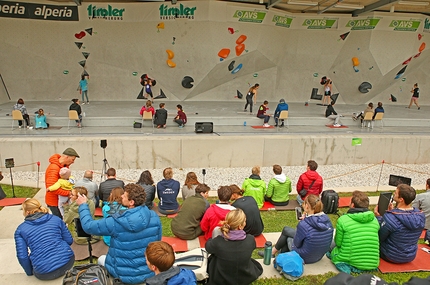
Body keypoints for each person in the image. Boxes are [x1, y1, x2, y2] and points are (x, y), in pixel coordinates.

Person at [76, 183, 162, 284]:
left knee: (101, 259)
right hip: (149, 270)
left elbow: (88, 226)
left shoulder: (116, 222)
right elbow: (158, 241)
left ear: (131, 202)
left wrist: (83, 206)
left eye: (124, 195)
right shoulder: (154, 216)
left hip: (121, 274)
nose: (121, 196)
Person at [260, 194, 333, 264]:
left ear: (307, 206)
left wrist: (303, 223)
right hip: (318, 256)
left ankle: (275, 255)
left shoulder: (303, 225)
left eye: (304, 203)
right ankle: (276, 254)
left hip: (304, 257)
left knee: (288, 237)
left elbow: (297, 244)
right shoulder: (327, 220)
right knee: (287, 231)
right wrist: (307, 219)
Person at [14, 198, 74, 280]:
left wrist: (29, 272)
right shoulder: (55, 219)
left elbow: (22, 256)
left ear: (27, 212)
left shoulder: (21, 230)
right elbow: (69, 240)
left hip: (44, 272)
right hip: (68, 263)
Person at [205, 209, 263, 285]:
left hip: (221, 278)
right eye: (244, 221)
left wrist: (213, 238)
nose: (245, 223)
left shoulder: (218, 242)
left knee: (213, 258)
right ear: (240, 226)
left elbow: (208, 247)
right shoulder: (250, 239)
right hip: (244, 276)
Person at [328, 191, 380, 273]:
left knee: (330, 241)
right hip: (372, 262)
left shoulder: (343, 220)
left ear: (352, 205)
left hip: (349, 258)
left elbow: (338, 243)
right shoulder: (375, 220)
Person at [374, 184, 425, 263]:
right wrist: (393, 211)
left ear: (401, 199)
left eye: (396, 193)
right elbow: (405, 217)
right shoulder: (421, 215)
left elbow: (380, 237)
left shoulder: (391, 217)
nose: (394, 194)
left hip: (391, 255)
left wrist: (379, 217)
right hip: (410, 255)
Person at [45, 147, 80, 218]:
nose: (73, 162)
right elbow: (52, 188)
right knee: (59, 221)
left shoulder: (63, 167)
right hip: (55, 202)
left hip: (60, 200)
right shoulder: (54, 168)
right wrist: (69, 193)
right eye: (73, 159)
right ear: (66, 157)